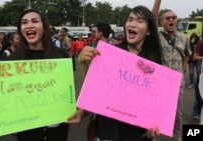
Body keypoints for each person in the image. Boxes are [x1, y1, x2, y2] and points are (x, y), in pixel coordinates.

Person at [78, 5, 160, 141]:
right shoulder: (110, 55)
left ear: (148, 31)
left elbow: (157, 104)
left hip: (136, 134)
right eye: (130, 19)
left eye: (140, 21)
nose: (133, 24)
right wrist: (82, 63)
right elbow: (96, 90)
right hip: (108, 130)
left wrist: (155, 128)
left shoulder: (155, 65)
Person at [7, 9, 85, 141]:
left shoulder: (60, 55)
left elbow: (69, 88)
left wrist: (80, 109)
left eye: (35, 21)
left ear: (44, 27)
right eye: (24, 22)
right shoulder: (11, 61)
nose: (29, 25)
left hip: (57, 129)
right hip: (27, 131)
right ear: (21, 30)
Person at [152, 0, 191, 140]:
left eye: (173, 17)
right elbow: (152, 19)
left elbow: (187, 53)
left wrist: (184, 67)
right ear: (162, 22)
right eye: (167, 18)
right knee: (157, 111)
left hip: (178, 82)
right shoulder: (159, 36)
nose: (171, 20)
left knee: (177, 114)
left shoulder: (183, 37)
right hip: (160, 81)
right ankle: (154, 137)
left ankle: (177, 137)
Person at [193, 39, 203, 124]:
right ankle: (195, 115)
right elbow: (195, 57)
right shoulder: (201, 42)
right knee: (198, 98)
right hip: (201, 78)